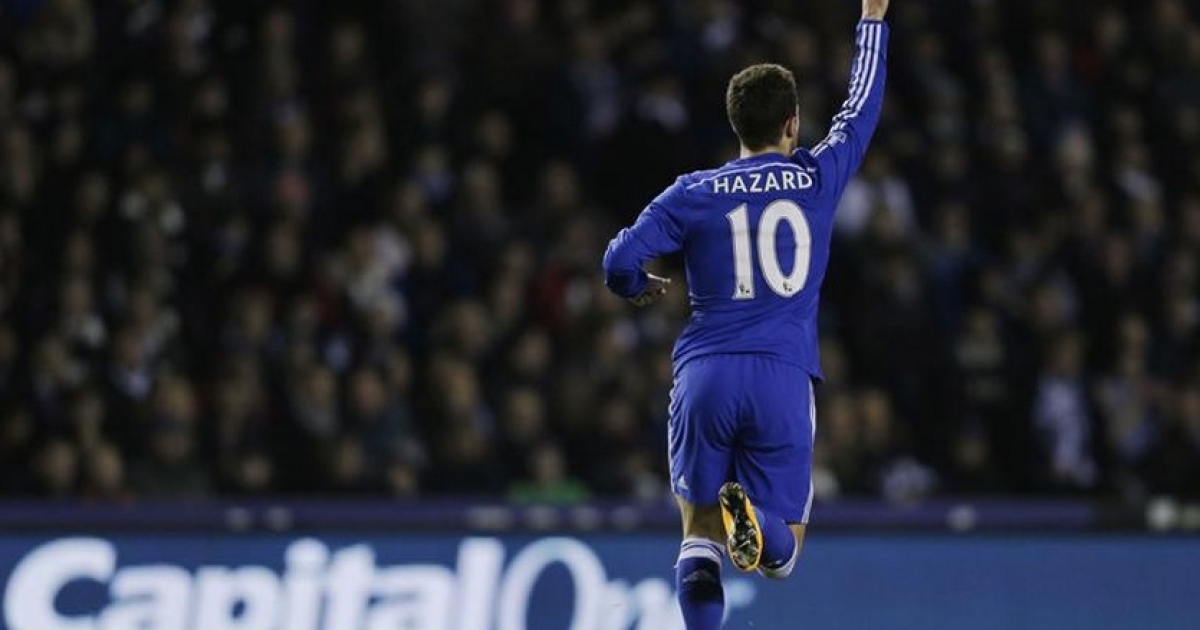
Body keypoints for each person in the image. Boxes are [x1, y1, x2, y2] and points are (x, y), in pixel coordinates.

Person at [601, 1, 891, 627]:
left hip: (705, 373)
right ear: (792, 123)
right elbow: (860, 109)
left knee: (697, 535)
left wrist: (635, 286)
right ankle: (756, 520)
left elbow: (618, 258)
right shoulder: (815, 177)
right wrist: (872, 19)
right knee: (782, 558)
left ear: (735, 124)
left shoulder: (694, 191)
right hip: (780, 375)